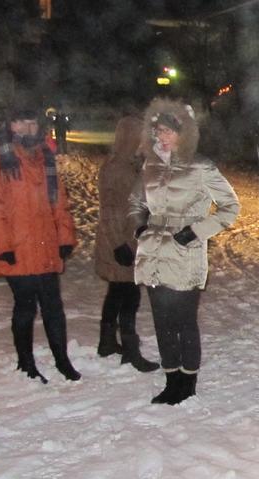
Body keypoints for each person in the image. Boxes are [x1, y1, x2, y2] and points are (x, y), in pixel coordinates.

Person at [129, 98, 240, 405]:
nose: (162, 137)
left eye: (169, 131)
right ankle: (171, 380)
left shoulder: (201, 166)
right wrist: (140, 226)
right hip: (152, 254)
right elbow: (136, 202)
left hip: (184, 253)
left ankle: (187, 382)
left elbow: (230, 207)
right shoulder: (149, 165)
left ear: (185, 133)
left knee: (183, 321)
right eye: (158, 131)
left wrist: (195, 232)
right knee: (162, 322)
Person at [0, 105, 81, 383]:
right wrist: (3, 246)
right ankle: (26, 362)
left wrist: (65, 237)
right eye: (20, 122)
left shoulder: (43, 156)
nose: (27, 128)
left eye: (32, 123)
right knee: (25, 306)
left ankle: (62, 360)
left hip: (45, 243)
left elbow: (59, 201)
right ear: (9, 125)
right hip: (16, 247)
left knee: (53, 306)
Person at [93, 114, 159, 373]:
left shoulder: (130, 164)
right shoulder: (117, 167)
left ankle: (107, 342)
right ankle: (130, 350)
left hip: (125, 238)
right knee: (129, 296)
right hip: (119, 241)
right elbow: (109, 210)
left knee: (117, 294)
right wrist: (119, 243)